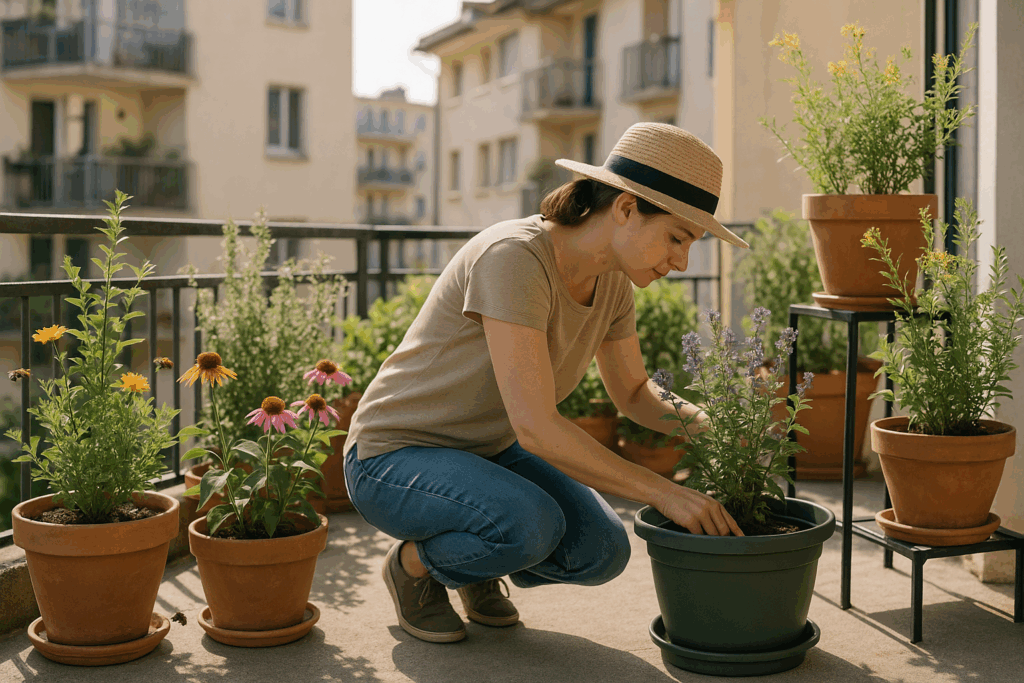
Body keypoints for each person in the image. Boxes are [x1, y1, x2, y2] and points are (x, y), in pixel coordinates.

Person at [341, 122, 750, 644]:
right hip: (393, 456)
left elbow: (632, 392)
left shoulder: (613, 283)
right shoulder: (514, 257)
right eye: (676, 237)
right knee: (531, 525)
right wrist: (666, 493)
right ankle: (413, 567)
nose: (682, 260)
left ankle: (472, 560)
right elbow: (535, 428)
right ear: (625, 208)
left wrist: (714, 428)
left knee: (602, 550)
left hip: (486, 453)